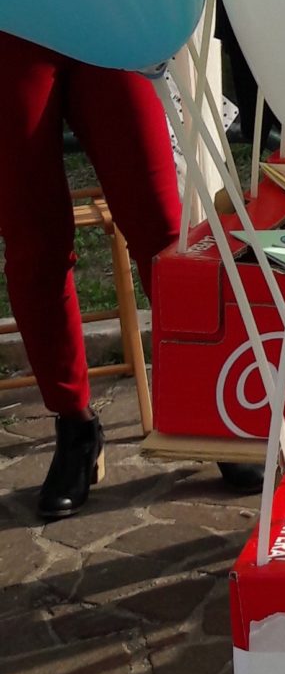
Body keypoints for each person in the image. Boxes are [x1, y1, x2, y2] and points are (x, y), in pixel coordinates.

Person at [0, 30, 180, 518]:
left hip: (102, 15)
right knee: (33, 245)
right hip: (10, 28)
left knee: (164, 233)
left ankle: (207, 406)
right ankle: (76, 427)